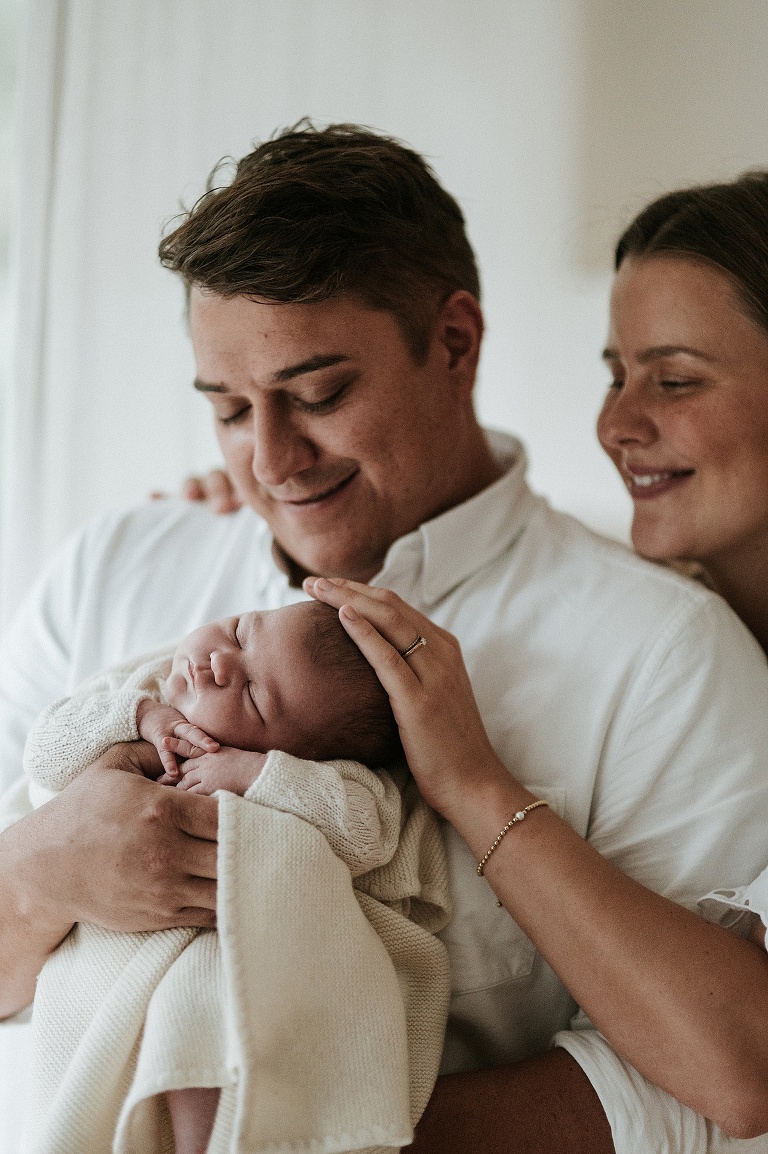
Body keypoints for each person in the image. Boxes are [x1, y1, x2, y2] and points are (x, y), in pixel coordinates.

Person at [2, 124, 768, 1154]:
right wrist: (31, 877)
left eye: (320, 395)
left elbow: (715, 1092)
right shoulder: (114, 568)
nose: (270, 459)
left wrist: (285, 1128)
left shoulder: (662, 654)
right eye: (229, 408)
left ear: (456, 342)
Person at [22, 599, 449, 1154]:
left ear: (299, 750)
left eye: (251, 695)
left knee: (210, 1026)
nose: (219, 662)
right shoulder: (139, 686)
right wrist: (140, 717)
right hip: (119, 936)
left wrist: (258, 774)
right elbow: (46, 752)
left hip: (239, 941)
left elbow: (365, 834)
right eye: (238, 631)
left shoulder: (320, 776)